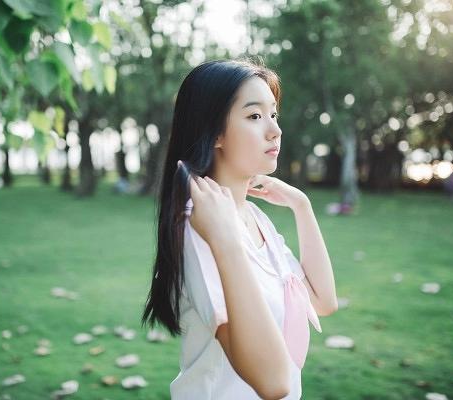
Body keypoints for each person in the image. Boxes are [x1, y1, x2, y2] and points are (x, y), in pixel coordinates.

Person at [141, 59, 338, 399]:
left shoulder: (254, 217)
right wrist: (225, 241)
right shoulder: (200, 230)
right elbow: (273, 383)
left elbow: (322, 301)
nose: (275, 130)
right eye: (255, 116)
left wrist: (301, 206)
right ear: (214, 132)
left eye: (273, 114)